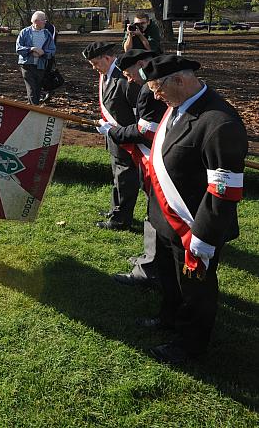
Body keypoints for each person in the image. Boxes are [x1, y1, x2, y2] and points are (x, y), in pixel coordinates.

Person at [138, 55, 247, 364]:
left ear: (181, 81)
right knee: (171, 279)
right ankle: (169, 318)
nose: (156, 97)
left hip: (196, 227)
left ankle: (190, 344)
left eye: (158, 89)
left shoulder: (219, 122)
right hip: (167, 218)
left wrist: (203, 237)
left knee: (196, 290)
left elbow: (223, 191)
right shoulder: (178, 106)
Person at [98, 49, 167, 285]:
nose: (129, 80)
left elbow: (144, 130)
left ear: (141, 64)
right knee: (154, 211)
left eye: (129, 75)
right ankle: (151, 260)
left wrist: (113, 131)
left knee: (156, 212)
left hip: (158, 160)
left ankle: (150, 268)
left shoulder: (150, 90)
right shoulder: (153, 86)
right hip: (158, 156)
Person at [82, 41, 140, 231]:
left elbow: (137, 111)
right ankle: (115, 210)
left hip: (127, 139)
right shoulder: (106, 75)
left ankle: (121, 219)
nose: (94, 68)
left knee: (125, 179)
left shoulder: (124, 78)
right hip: (114, 137)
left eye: (95, 63)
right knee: (117, 176)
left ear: (107, 58)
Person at [16, 11, 55, 105]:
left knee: (37, 88)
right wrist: (31, 49)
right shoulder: (24, 32)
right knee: (31, 88)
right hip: (26, 65)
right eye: (43, 20)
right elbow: (18, 48)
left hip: (40, 65)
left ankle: (33, 108)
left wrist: (43, 53)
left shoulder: (47, 34)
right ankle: (35, 109)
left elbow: (52, 50)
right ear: (36, 21)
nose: (45, 22)